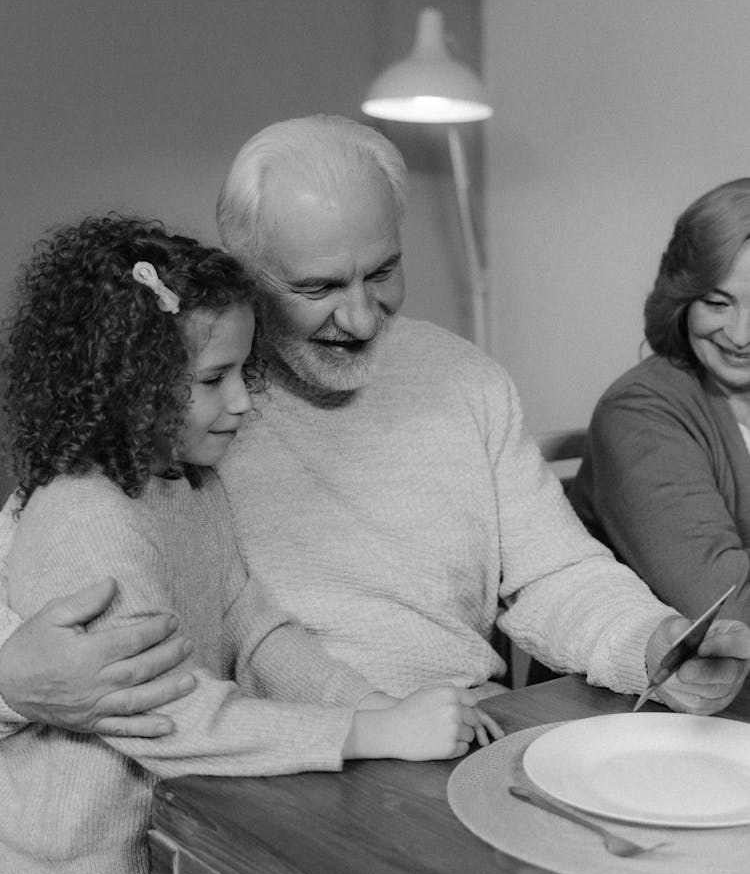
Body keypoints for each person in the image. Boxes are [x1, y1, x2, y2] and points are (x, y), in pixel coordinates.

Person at [1, 119, 749, 733]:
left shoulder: (467, 380)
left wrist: (653, 643)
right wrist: (13, 677)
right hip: (268, 762)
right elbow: (37, 561)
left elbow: (554, 574)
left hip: (458, 734)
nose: (361, 319)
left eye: (382, 271)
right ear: (244, 272)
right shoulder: (180, 405)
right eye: (317, 286)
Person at [0, 215, 497, 874]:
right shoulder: (88, 518)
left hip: (161, 841)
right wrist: (367, 735)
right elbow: (170, 719)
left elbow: (254, 627)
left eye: (243, 370)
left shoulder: (189, 485)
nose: (241, 401)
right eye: (212, 378)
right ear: (128, 385)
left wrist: (372, 703)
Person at [570, 177, 750, 623]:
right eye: (716, 302)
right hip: (637, 689)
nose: (740, 335)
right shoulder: (637, 412)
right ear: (683, 300)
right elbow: (723, 604)